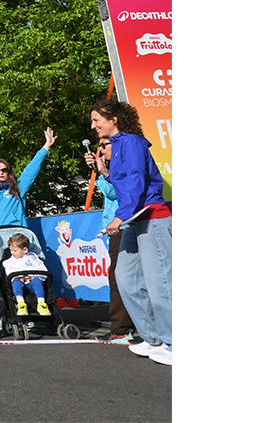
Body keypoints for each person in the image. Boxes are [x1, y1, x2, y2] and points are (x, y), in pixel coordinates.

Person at [91, 99, 172, 366]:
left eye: (96, 120)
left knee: (159, 282)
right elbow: (123, 185)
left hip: (151, 217)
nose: (93, 126)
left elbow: (136, 181)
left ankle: (175, 340)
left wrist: (120, 216)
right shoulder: (118, 147)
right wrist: (104, 171)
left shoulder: (133, 143)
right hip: (133, 221)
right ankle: (153, 337)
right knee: (125, 279)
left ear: (113, 119)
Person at [0, 127, 56, 254]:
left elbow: (32, 168)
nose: (1, 173)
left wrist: (46, 146)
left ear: (9, 171)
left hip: (17, 232)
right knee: (0, 270)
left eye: (4, 170)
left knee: (21, 267)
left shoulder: (19, 187)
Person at [84, 137, 136, 345]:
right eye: (100, 146)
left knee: (119, 278)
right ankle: (126, 327)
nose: (101, 149)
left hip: (122, 226)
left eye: (105, 145)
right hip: (117, 227)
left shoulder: (123, 166)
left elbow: (115, 193)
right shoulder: (114, 166)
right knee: (123, 278)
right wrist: (99, 171)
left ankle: (121, 329)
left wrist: (104, 172)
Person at [2, 233, 50, 317]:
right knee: (15, 282)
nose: (12, 252)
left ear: (25, 250)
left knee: (37, 281)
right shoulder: (10, 262)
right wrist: (19, 277)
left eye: (15, 251)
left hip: (32, 283)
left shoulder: (33, 259)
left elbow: (43, 271)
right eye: (11, 250)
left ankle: (41, 303)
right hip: (20, 284)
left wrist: (33, 276)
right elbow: (9, 273)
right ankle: (21, 304)